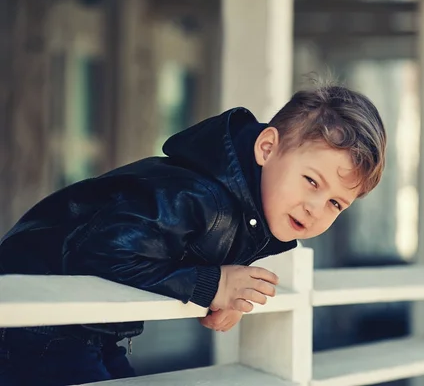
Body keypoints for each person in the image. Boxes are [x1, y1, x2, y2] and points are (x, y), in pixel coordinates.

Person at [0, 83, 387, 385]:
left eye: (336, 204)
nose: (316, 208)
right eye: (310, 181)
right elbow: (98, 254)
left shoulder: (252, 210)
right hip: (33, 318)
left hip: (87, 328)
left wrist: (231, 290)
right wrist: (212, 284)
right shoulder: (194, 195)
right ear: (267, 148)